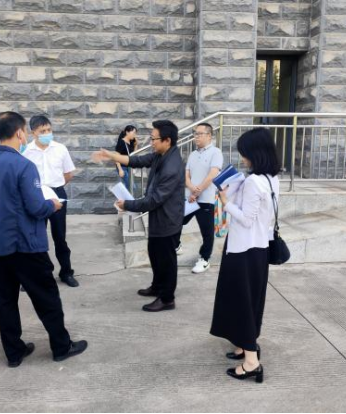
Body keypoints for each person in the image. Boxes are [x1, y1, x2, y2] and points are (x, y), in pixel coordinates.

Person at [0, 112, 87, 367]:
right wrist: (52, 205)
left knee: (6, 301)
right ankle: (61, 346)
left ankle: (14, 352)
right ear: (20, 133)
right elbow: (36, 207)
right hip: (25, 245)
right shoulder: (23, 165)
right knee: (47, 297)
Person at [210, 128, 281, 384]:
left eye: (244, 152)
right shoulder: (271, 178)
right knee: (250, 301)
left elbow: (246, 219)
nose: (242, 157)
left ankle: (251, 363)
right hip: (258, 249)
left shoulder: (253, 182)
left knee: (242, 303)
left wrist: (224, 200)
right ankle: (244, 345)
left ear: (255, 152)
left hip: (244, 251)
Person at [94, 120, 185, 313]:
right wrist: (112, 155)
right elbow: (138, 161)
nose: (151, 142)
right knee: (155, 253)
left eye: (154, 139)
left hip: (168, 220)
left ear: (167, 140)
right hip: (159, 218)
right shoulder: (162, 154)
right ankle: (157, 286)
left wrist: (127, 204)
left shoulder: (172, 166)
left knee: (166, 261)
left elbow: (154, 200)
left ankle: (167, 298)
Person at [23, 115, 78, 288]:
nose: (47, 133)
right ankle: (35, 276)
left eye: (49, 130)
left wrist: (55, 189)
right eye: (42, 131)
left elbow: (68, 174)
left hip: (57, 193)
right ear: (33, 132)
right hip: (36, 196)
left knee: (60, 236)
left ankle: (66, 272)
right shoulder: (26, 151)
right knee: (35, 237)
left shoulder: (60, 149)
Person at [178, 123, 223, 274]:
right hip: (189, 198)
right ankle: (176, 245)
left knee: (207, 232)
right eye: (195, 134)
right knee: (176, 221)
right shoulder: (193, 154)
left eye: (199, 134)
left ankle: (204, 259)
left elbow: (212, 175)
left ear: (209, 135)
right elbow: (186, 175)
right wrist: (191, 188)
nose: (196, 137)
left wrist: (196, 192)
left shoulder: (216, 152)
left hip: (205, 199)